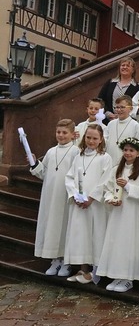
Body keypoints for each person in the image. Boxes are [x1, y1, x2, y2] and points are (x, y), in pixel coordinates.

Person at [98, 137, 139, 293]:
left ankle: (128, 277)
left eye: (131, 150)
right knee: (117, 241)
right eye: (126, 150)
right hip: (118, 212)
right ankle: (116, 274)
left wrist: (128, 187)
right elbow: (107, 188)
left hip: (134, 213)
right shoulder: (116, 169)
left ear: (138, 153)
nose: (128, 153)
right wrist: (110, 199)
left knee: (130, 242)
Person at [30, 119, 80, 278]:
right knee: (51, 225)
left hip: (65, 196)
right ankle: (55, 259)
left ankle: (66, 260)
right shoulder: (51, 151)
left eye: (65, 132)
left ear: (73, 134)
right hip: (50, 196)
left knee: (64, 225)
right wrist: (34, 163)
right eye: (58, 132)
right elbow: (44, 173)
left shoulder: (75, 151)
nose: (61, 135)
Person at [64, 124, 112, 284]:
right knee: (80, 235)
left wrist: (91, 197)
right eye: (88, 137)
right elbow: (70, 177)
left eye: (95, 138)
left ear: (101, 140)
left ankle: (96, 271)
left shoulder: (105, 158)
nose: (91, 141)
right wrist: (75, 195)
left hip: (95, 205)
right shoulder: (79, 156)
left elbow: (105, 180)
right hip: (79, 203)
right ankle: (83, 268)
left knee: (95, 234)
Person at [97, 57, 139, 125]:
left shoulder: (138, 87)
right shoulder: (110, 83)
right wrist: (108, 114)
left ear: (133, 70)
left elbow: (138, 107)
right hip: (108, 121)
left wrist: (123, 115)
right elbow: (100, 100)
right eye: (123, 65)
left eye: (128, 66)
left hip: (127, 123)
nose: (125, 67)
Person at [105, 95, 139, 163]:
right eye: (117, 107)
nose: (119, 110)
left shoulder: (135, 125)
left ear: (130, 108)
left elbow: (136, 146)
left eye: (122, 107)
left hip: (125, 161)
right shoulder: (111, 124)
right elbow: (105, 140)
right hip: (109, 159)